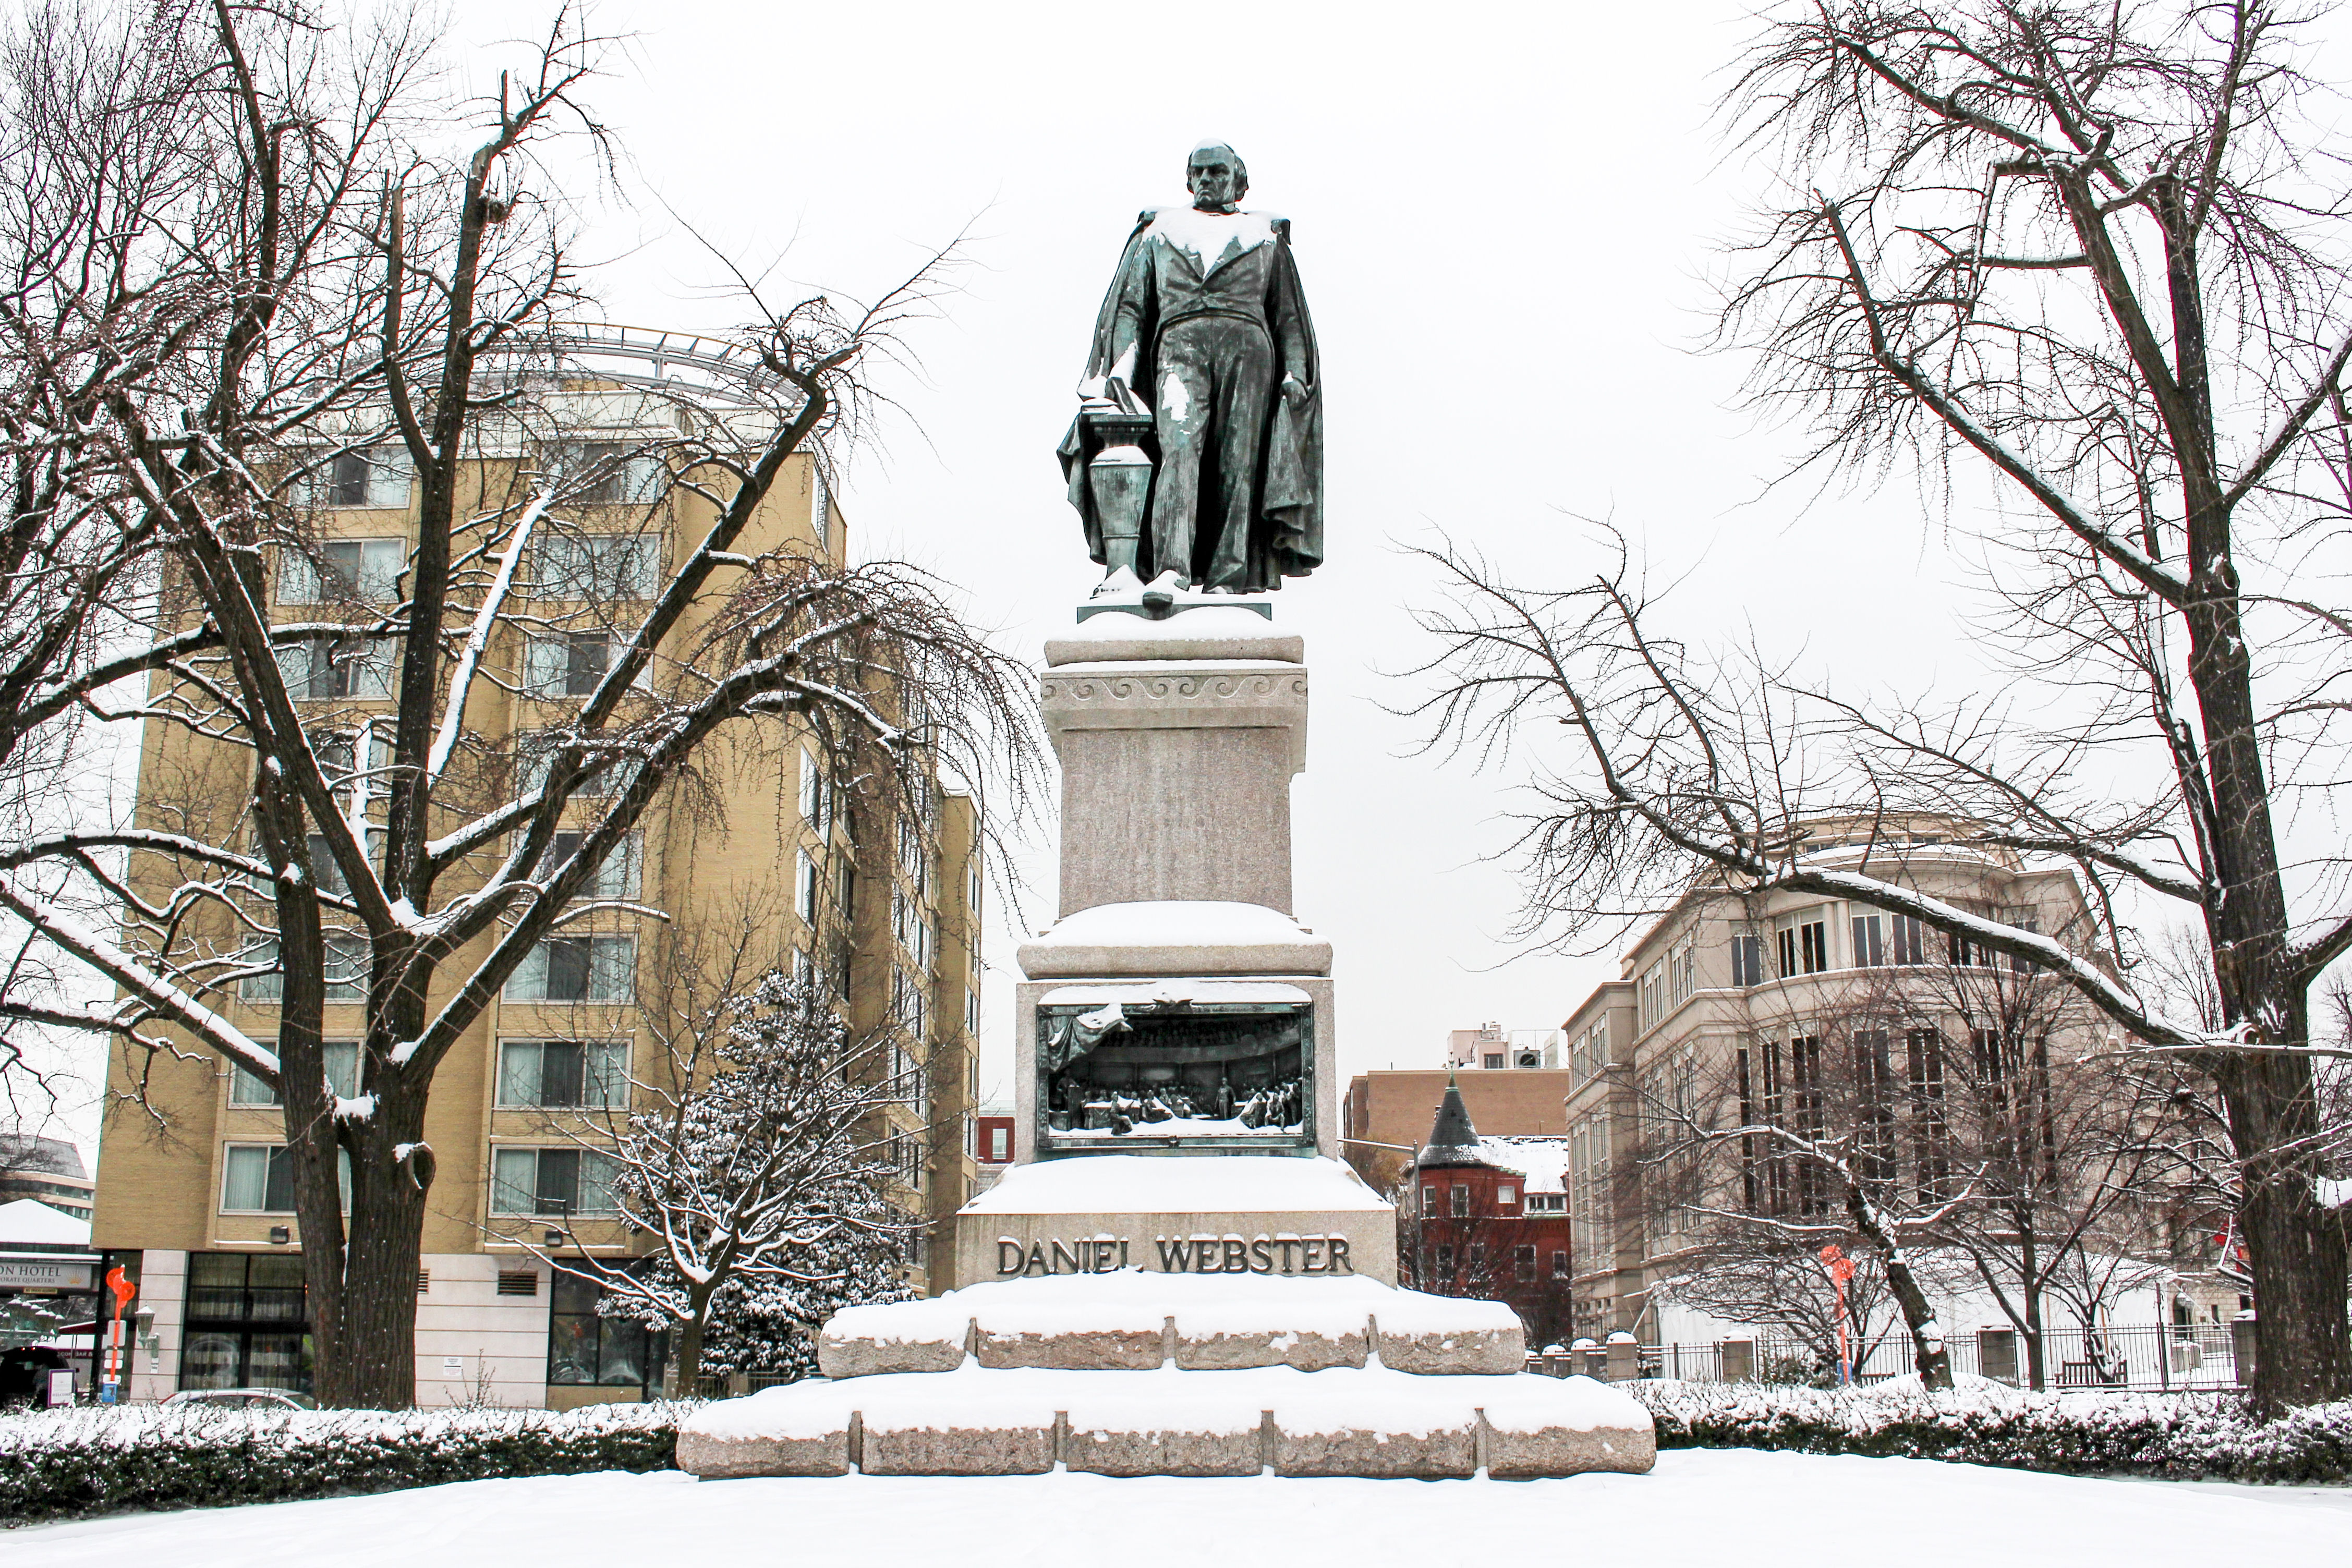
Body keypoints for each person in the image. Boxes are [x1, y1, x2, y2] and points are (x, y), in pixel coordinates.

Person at [1061, 142, 1324, 594]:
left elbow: (1289, 316)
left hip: (1249, 351)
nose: (1206, 180)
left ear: (1239, 183)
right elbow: (1130, 307)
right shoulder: (1160, 231)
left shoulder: (1265, 235)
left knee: (1238, 464)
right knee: (1179, 450)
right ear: (1188, 180)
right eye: (1198, 172)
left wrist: (1295, 371)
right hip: (1179, 345)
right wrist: (1122, 365)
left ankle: (1229, 576)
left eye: (1217, 172)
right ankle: (1172, 568)